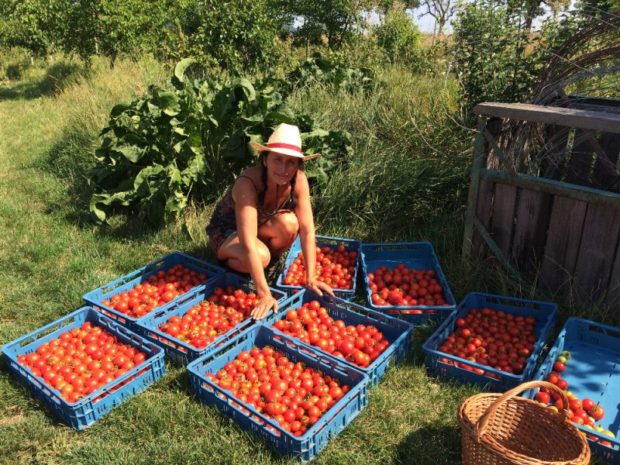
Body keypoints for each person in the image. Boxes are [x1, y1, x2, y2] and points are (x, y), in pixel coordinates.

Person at [207, 123, 334, 320]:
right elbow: (247, 239)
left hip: (258, 227)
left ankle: (262, 265)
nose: (284, 169)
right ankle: (238, 265)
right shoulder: (247, 184)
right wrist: (264, 294)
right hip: (226, 232)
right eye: (277, 160)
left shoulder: (298, 180)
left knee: (290, 223)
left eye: (291, 162)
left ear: (298, 165)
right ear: (265, 159)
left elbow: (307, 230)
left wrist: (311, 277)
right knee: (260, 255)